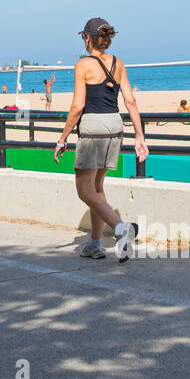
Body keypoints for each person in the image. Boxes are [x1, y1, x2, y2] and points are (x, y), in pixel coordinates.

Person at [54, 18, 146, 263]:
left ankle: (120, 228)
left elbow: (77, 105)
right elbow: (131, 101)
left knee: (84, 191)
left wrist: (62, 138)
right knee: (97, 187)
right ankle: (94, 243)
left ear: (87, 38)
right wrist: (140, 136)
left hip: (93, 127)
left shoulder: (83, 65)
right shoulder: (118, 63)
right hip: (115, 126)